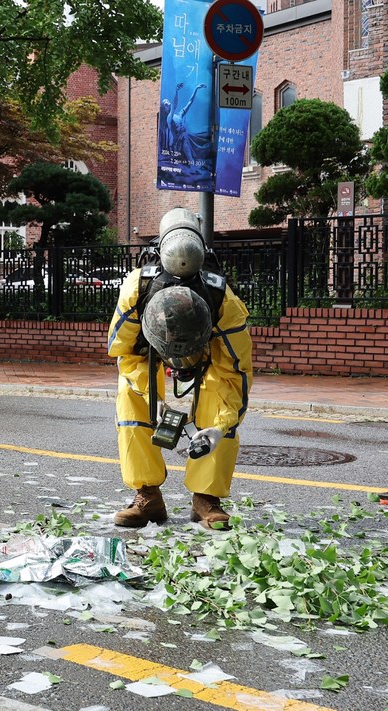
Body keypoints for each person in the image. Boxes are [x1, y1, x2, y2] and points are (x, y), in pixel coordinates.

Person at [106, 207, 252, 530]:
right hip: (148, 355)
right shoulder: (136, 291)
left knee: (218, 394)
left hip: (209, 357)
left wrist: (219, 428)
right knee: (128, 395)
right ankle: (147, 495)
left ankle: (206, 498)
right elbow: (122, 352)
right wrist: (152, 396)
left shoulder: (224, 304)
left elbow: (237, 375)